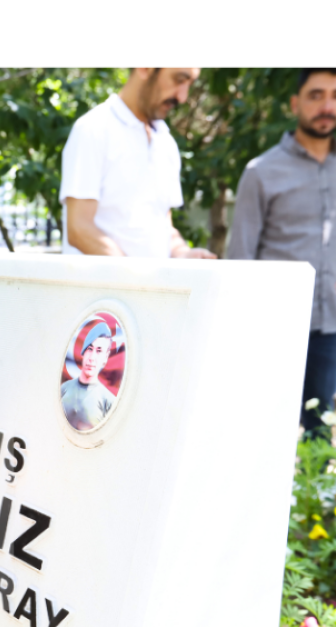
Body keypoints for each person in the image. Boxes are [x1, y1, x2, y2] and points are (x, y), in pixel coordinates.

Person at [228, 69, 336, 433]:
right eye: (316, 95)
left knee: (318, 440)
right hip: (273, 329)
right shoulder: (261, 172)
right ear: (295, 103)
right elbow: (239, 259)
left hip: (331, 331)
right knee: (264, 437)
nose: (327, 106)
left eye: (334, 96)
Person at [61, 68, 216, 260]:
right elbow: (79, 228)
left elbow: (164, 226)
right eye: (178, 80)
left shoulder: (166, 142)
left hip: (146, 288)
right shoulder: (94, 129)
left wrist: (183, 254)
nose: (183, 97)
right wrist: (131, 280)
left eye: (189, 85)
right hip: (100, 289)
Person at [61, 322, 116, 430]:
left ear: (105, 357)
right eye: (89, 349)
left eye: (99, 351)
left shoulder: (109, 402)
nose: (92, 357)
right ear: (83, 352)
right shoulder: (63, 389)